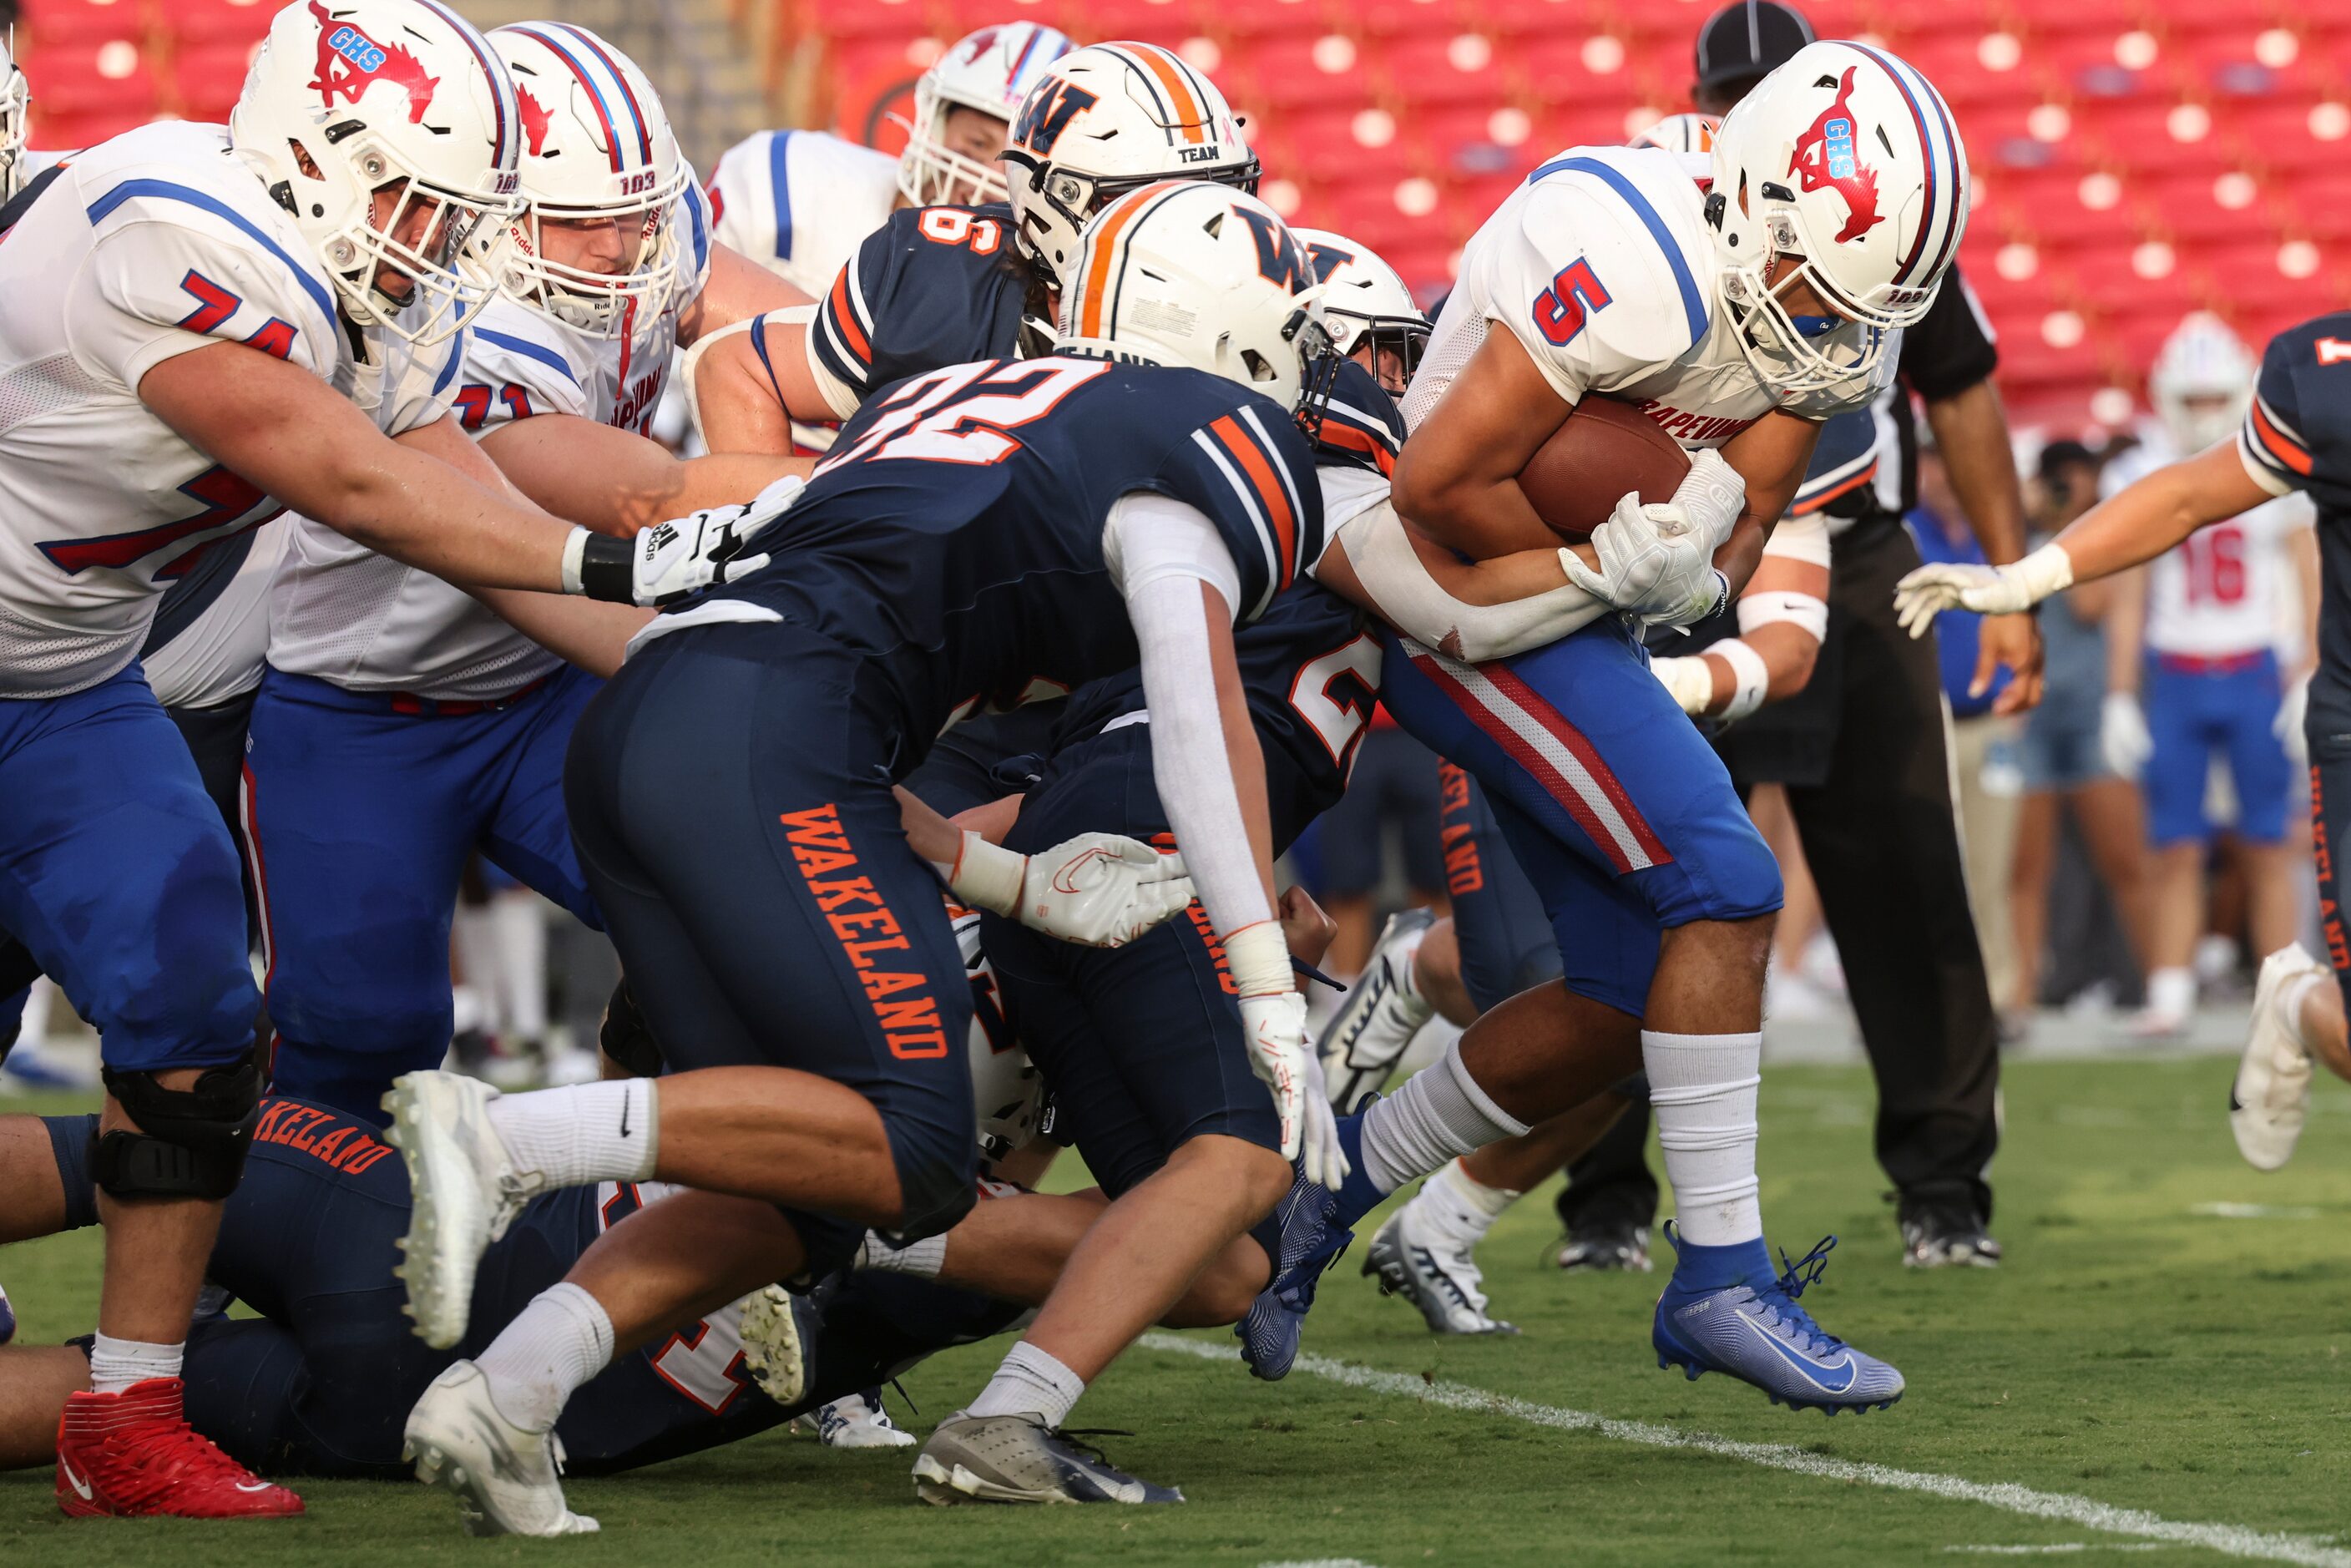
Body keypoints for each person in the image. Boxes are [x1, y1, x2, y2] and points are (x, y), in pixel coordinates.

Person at [380, 180, 1347, 1534]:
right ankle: (504, 1132)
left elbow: (888, 694)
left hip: (671, 711)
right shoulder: (1204, 435)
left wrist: (1013, 880)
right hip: (784, 723)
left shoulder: (960, 395)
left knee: (802, 1191)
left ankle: (508, 1391)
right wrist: (1258, 966)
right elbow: (1197, 709)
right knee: (914, 1146)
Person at [0, 0, 770, 1519]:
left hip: (66, 690)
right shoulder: (175, 232)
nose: (435, 237)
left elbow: (451, 456)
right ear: (315, 150)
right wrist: (632, 561)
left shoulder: (358, 272)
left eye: (455, 208)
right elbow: (354, 480)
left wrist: (688, 535)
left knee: (197, 1014)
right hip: (132, 686)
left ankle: (127, 1406)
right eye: (417, 196)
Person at [1237, 40, 1969, 1408]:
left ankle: (1322, 1186)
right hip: (1431, 582)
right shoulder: (1629, 247)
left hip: (1574, 605)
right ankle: (1720, 1278)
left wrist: (1690, 563)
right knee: (1727, 883)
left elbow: (1743, 521)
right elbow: (1445, 485)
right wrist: (1606, 559)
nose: (1834, 323)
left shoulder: (1829, 305)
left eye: (1864, 303)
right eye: (1814, 282)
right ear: (1755, 197)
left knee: (1629, 999)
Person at [245, 21, 805, 1121]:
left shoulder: (650, 228)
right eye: (586, 223)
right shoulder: (451, 324)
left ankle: (651, 1220)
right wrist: (903, 482)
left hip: (538, 688)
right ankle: (284, 1258)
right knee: (361, 1039)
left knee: (732, 919)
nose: (626, 246)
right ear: (483, 215)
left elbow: (801, 330)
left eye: (643, 212)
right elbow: (643, 501)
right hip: (365, 709)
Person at [1896, 309, 2351, 1177]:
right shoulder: (2323, 371)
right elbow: (2184, 497)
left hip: (2259, 669)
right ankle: (2291, 999)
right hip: (2279, 694)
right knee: (2178, 843)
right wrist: (2027, 577)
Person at [2102, 315, 2318, 1036]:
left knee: (2266, 842)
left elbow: (2308, 574)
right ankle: (2171, 993)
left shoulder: (2277, 457)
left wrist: (2309, 671)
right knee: (2175, 843)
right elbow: (2129, 593)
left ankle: (2284, 994)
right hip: (2178, 670)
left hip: (2256, 666)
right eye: (2189, 400)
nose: (2201, 413)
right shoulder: (2140, 467)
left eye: (2211, 399)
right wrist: (2119, 695)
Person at [705, 21, 1076, 298]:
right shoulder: (789, 180)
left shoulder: (1049, 299)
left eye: (1023, 162)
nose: (993, 176)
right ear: (934, 125)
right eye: (979, 142)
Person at [2005, 441, 2157, 1018]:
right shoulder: (2018, 533)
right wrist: (2031, 518)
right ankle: (2019, 994)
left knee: (2125, 860)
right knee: (2027, 868)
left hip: (2092, 713)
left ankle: (2157, 983)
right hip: (2034, 713)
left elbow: (2094, 604)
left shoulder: (2103, 533)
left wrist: (2069, 524)